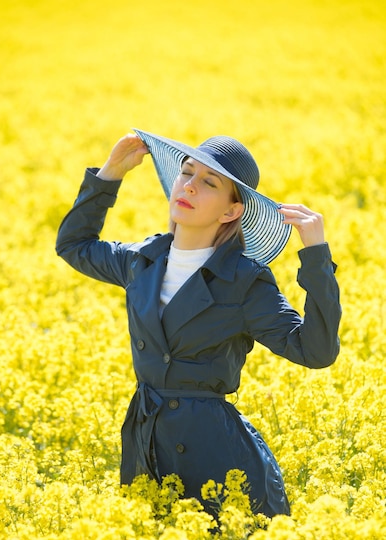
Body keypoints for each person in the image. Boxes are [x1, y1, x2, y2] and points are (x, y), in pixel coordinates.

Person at [56, 129, 341, 518]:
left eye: (208, 183)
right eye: (186, 173)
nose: (189, 187)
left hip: (217, 458)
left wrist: (316, 256)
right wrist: (111, 173)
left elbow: (315, 351)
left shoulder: (243, 279)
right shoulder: (141, 260)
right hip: (147, 442)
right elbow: (73, 245)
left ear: (230, 211)